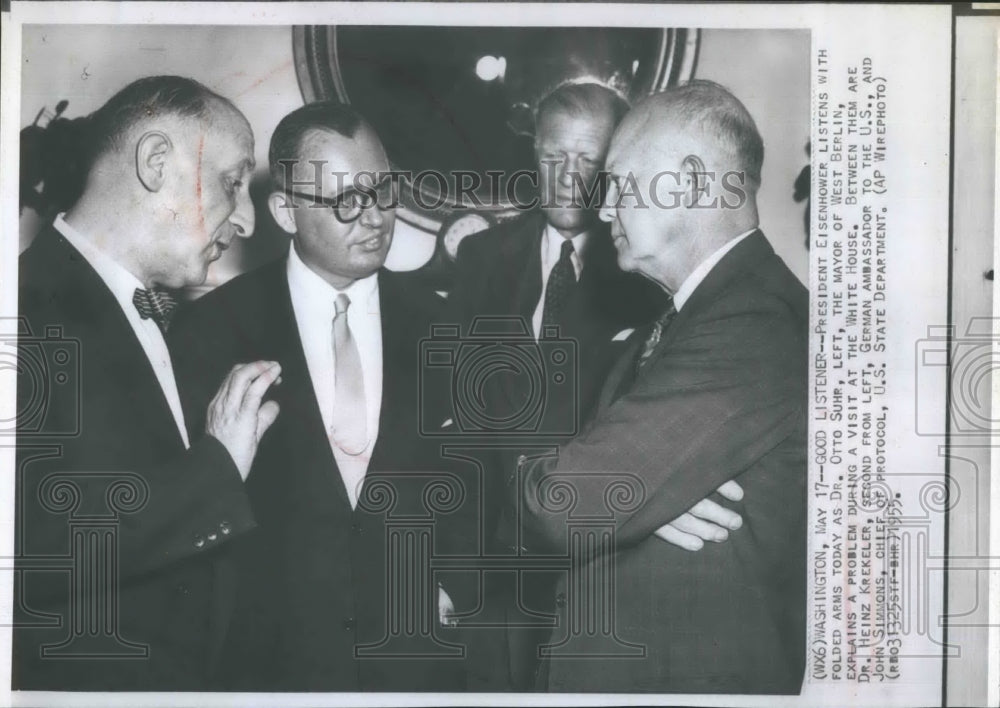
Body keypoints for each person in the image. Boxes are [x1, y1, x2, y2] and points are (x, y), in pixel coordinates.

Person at [446, 81, 747, 690]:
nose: (567, 177)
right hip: (487, 558)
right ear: (533, 151)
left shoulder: (649, 270)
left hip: (598, 554)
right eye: (554, 156)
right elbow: (454, 419)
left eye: (589, 161)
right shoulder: (480, 256)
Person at [517, 80, 808, 693]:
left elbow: (564, 503)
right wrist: (647, 498)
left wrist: (630, 495)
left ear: (695, 184)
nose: (601, 210)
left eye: (619, 183)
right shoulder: (687, 318)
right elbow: (596, 492)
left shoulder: (754, 321)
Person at [169, 101, 467, 691]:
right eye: (346, 201)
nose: (377, 216)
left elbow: (486, 479)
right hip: (268, 667)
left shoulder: (448, 328)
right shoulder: (208, 331)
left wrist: (458, 583)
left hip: (417, 666)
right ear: (285, 210)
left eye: (383, 190)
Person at [14, 75, 281, 691]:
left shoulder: (168, 320)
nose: (245, 218)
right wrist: (216, 468)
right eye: (232, 182)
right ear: (157, 161)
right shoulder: (21, 312)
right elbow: (28, 549)